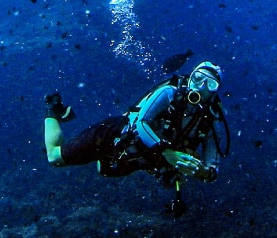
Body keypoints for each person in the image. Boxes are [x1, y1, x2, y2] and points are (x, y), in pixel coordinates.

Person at [44, 61, 229, 215]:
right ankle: (52, 109)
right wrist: (167, 152)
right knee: (54, 157)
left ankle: (102, 158)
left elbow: (212, 168)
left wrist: (201, 171)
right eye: (198, 79)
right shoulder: (169, 93)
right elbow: (141, 123)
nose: (201, 87)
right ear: (190, 78)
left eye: (210, 84)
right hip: (111, 135)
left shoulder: (211, 121)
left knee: (105, 170)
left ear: (215, 91)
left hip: (137, 158)